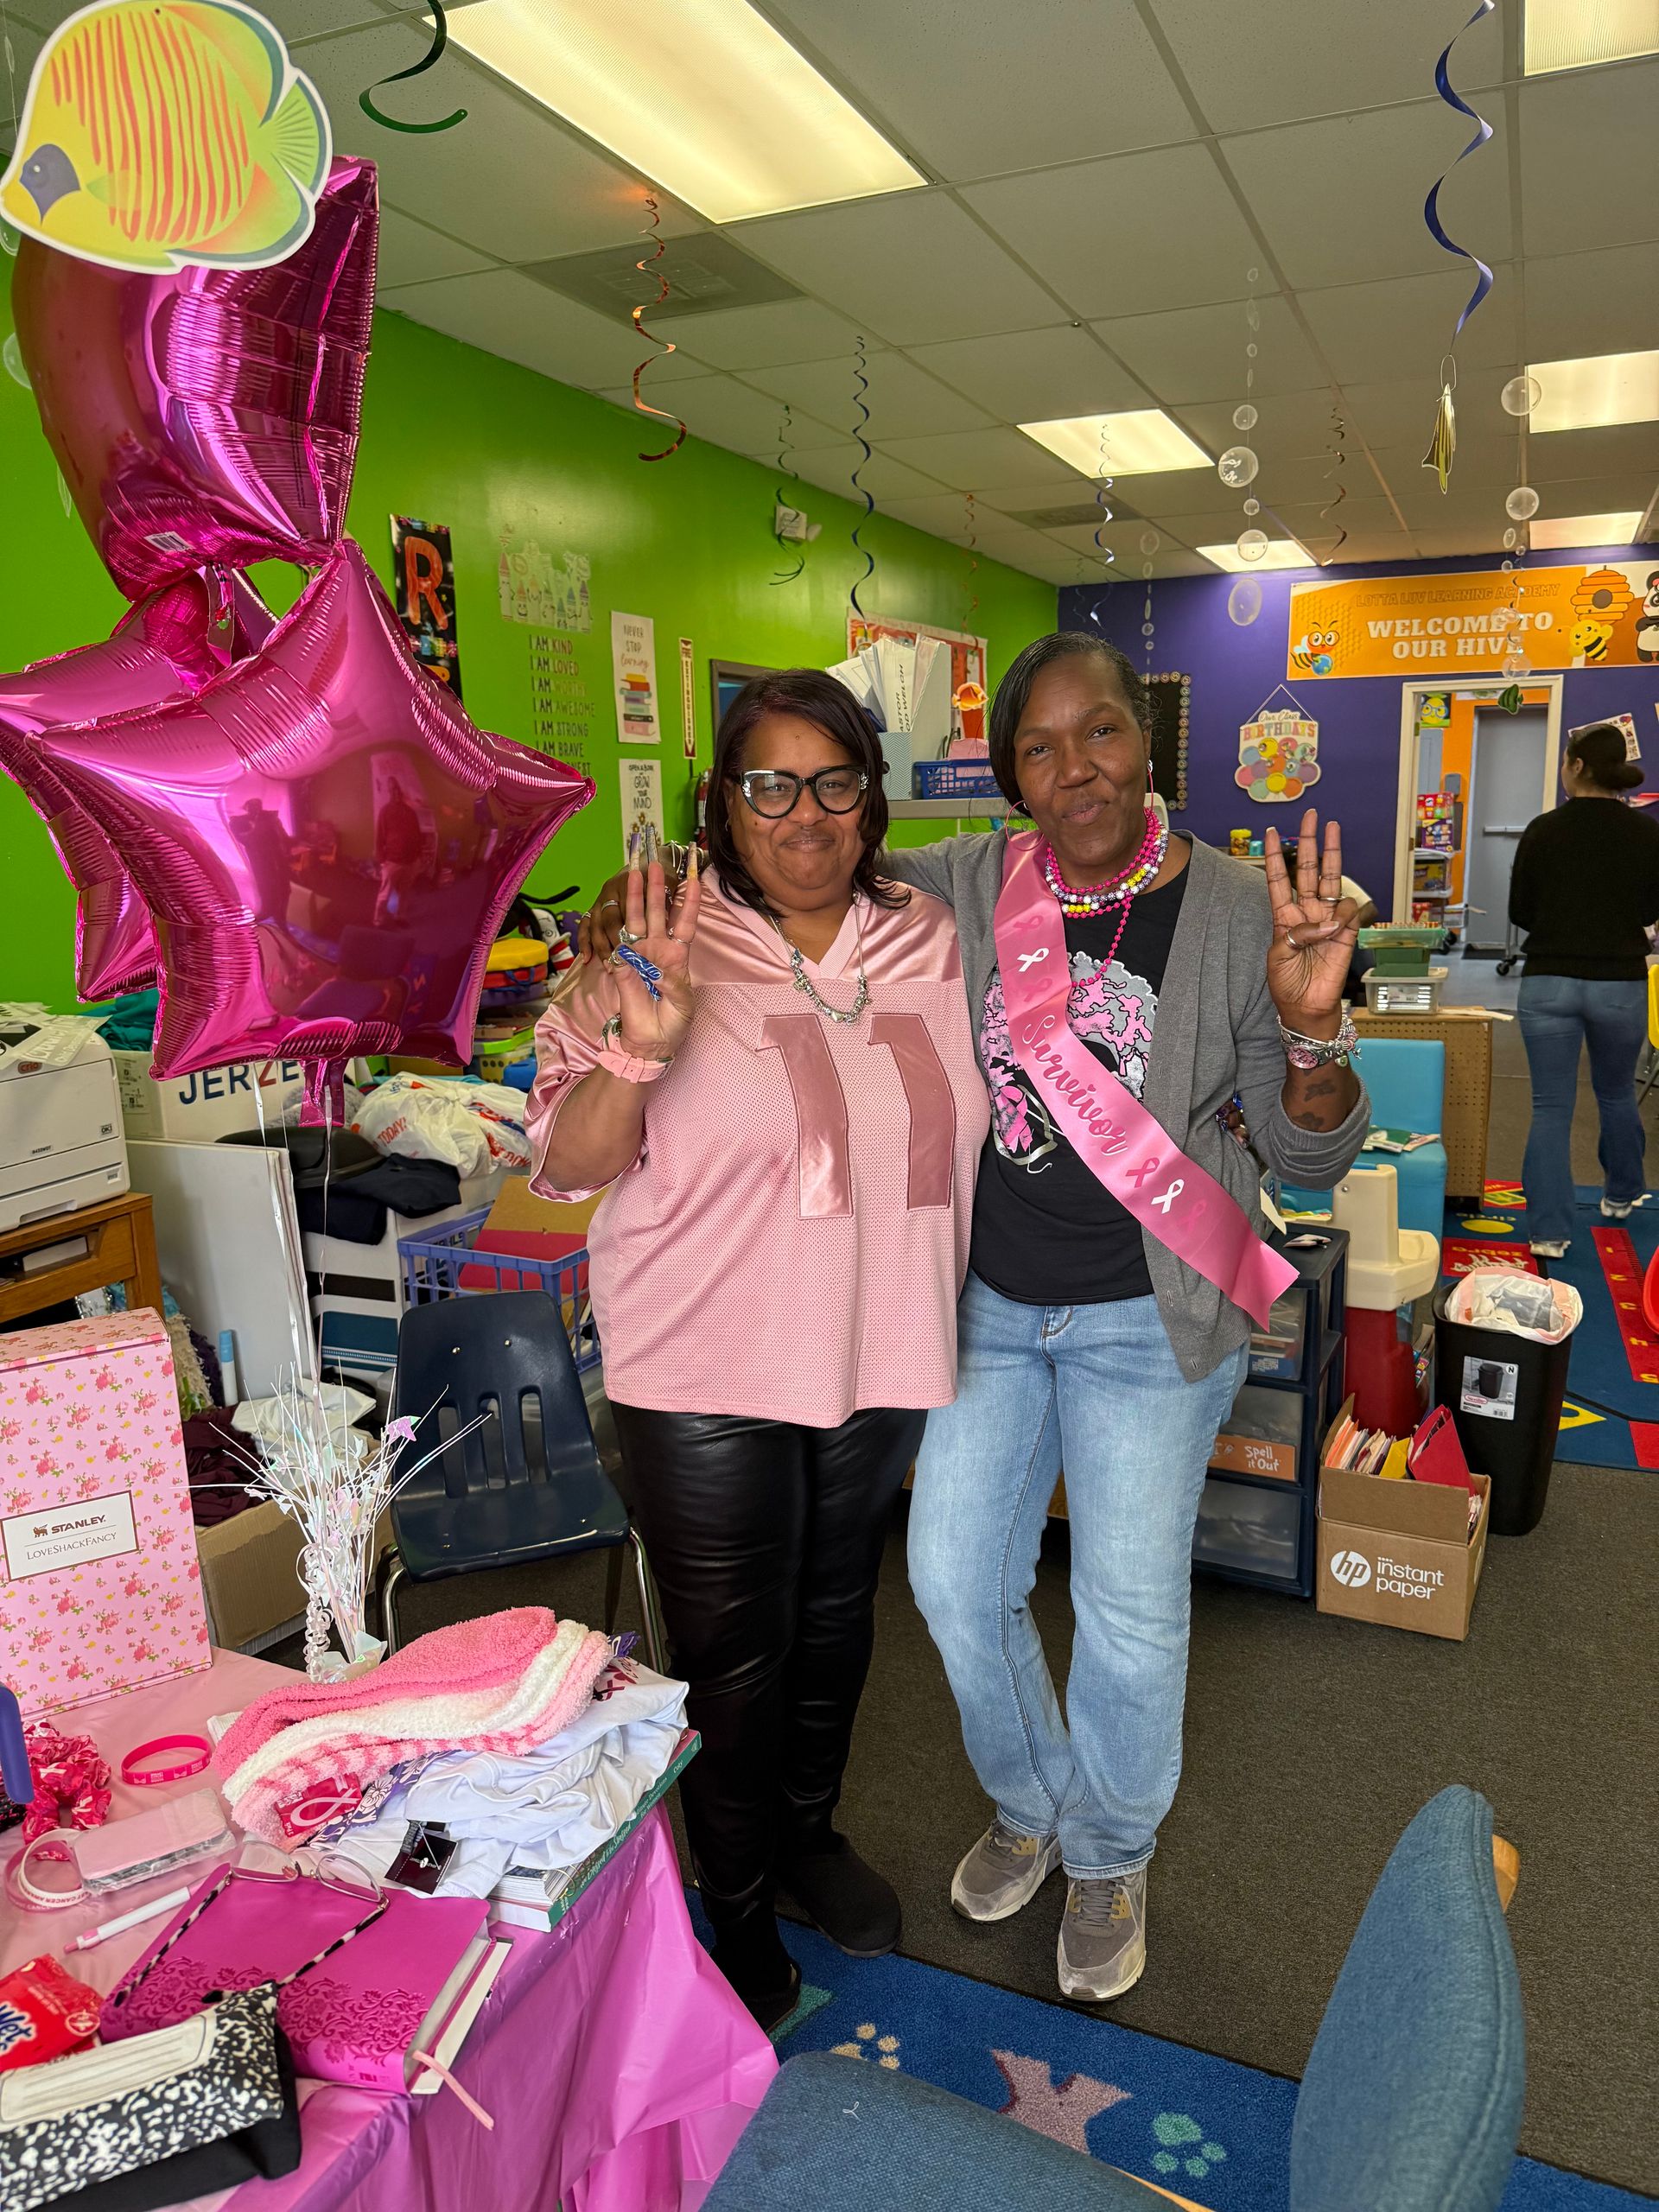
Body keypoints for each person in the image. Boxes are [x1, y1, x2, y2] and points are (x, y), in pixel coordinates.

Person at [584, 632, 1369, 2004]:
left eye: (1102, 732)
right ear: (1009, 776)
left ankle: (1110, 1852)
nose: (1078, 770)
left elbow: (1308, 1158)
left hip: (1153, 1314)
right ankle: (1034, 1804)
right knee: (951, 1583)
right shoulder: (958, 885)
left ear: (1148, 739)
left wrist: (1312, 1032)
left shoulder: (1245, 909)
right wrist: (641, 897)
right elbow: (801, 861)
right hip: (989, 1310)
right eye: (1041, 748)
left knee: (1128, 1612)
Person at [527, 670, 989, 2030]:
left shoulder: (925, 932)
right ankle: (731, 1912)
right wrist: (638, 1049)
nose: (804, 814)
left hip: (877, 1339)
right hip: (702, 1360)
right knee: (736, 1655)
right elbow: (564, 1167)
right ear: (723, 804)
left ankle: (804, 1840)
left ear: (871, 797)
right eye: (769, 784)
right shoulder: (659, 942)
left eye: (833, 780)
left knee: (837, 1619)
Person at [1509, 720, 1659, 1259]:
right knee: (1615, 1092)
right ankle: (1622, 1194)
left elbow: (1520, 911)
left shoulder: (1542, 830)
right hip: (1620, 982)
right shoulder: (1647, 833)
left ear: (1576, 765)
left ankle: (1549, 1232)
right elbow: (1650, 910)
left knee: (1550, 1107)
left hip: (1548, 980)